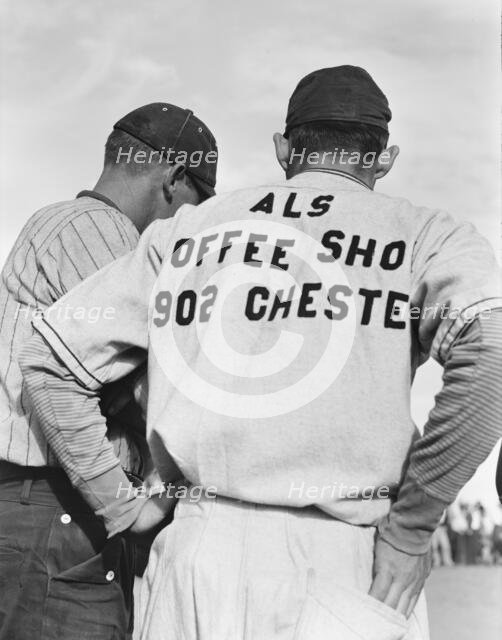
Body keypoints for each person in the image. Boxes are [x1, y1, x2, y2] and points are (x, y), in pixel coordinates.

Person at [20, 66, 502, 640]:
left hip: (194, 558)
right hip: (345, 565)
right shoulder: (428, 235)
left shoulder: (188, 232)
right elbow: (490, 357)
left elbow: (48, 361)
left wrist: (119, 504)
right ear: (386, 157)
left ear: (283, 149)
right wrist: (411, 531)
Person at [0, 102, 217, 640]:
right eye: (199, 201)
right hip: (52, 509)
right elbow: (148, 382)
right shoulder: (97, 230)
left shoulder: (70, 224)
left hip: (55, 508)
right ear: (174, 179)